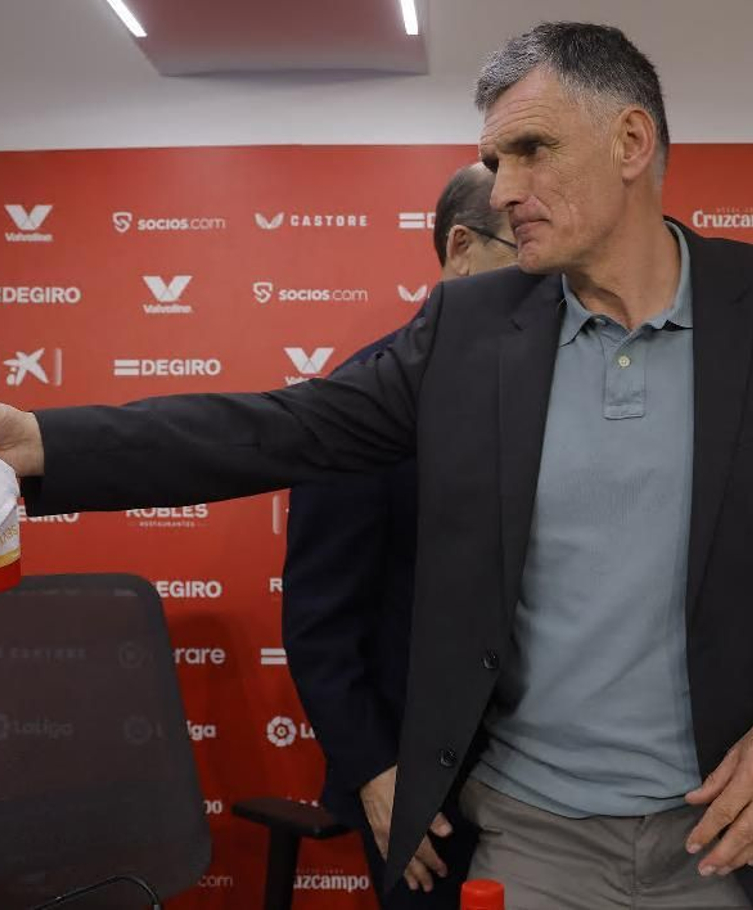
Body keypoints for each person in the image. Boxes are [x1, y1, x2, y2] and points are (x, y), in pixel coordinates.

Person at [0, 22, 753, 910]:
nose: (504, 193)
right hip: (533, 838)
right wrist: (43, 442)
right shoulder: (469, 325)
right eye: (493, 161)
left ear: (633, 141)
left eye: (531, 152)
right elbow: (280, 429)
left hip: (738, 838)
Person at [282, 162, 516, 908]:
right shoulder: (363, 402)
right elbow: (321, 623)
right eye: (528, 253)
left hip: (555, 785)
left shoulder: (559, 396)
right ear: (461, 249)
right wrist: (378, 776)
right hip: (423, 793)